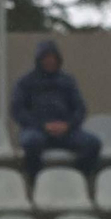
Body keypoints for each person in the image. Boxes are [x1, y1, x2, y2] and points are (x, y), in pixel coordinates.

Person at [9, 39, 101, 182]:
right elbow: (17, 111)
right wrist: (42, 126)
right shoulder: (26, 82)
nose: (49, 61)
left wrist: (68, 125)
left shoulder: (68, 81)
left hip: (66, 131)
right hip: (37, 130)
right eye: (46, 58)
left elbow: (80, 109)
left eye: (53, 58)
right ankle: (36, 182)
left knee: (92, 144)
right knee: (31, 143)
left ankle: (77, 180)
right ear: (39, 59)